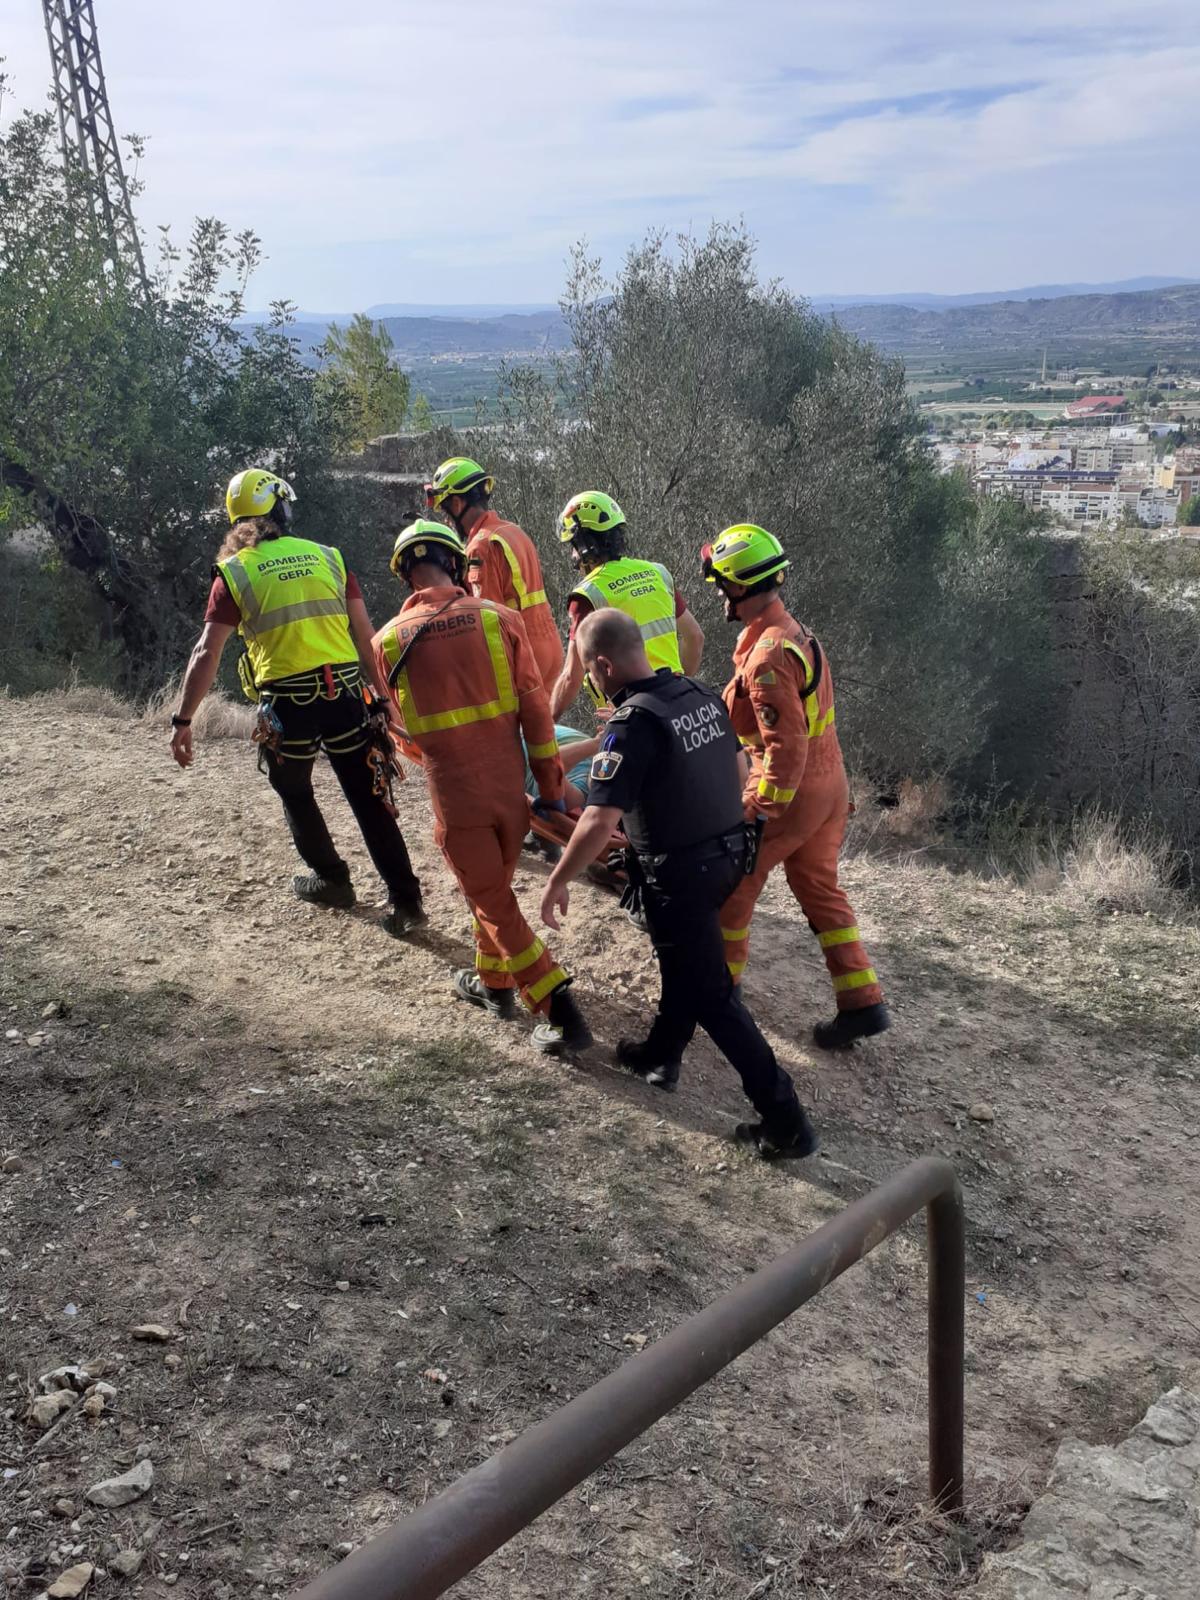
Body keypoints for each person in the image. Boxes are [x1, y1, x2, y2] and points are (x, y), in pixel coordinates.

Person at [540, 608, 818, 1160]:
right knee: (686, 966)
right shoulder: (700, 695)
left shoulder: (631, 725)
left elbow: (596, 821)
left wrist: (557, 879)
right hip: (728, 857)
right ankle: (660, 1054)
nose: (593, 681)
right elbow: (739, 772)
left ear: (601, 664)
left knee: (713, 996)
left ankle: (786, 1120)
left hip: (679, 874)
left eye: (590, 672)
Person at [169, 467, 424, 934]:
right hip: (347, 695)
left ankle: (331, 879)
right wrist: (385, 700)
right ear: (279, 511)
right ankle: (406, 904)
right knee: (369, 799)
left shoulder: (234, 571)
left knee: (294, 789)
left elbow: (207, 651)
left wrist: (183, 719)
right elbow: (366, 637)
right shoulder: (328, 557)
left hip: (288, 708)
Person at [372, 518, 592, 1056]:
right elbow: (537, 717)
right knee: (491, 893)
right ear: (454, 563)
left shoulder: (386, 643)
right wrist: (551, 788)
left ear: (407, 577)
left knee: (493, 904)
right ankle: (494, 986)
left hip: (457, 800)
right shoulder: (501, 620)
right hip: (511, 799)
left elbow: (402, 737)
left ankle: (560, 1008)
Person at [703, 525, 890, 1049]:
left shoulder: (766, 657)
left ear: (739, 586)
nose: (718, 591)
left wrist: (759, 810)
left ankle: (720, 997)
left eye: (722, 581)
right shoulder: (794, 633)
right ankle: (862, 1001)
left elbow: (784, 747)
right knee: (819, 890)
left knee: (734, 889)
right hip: (830, 785)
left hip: (794, 791)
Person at [549, 490, 704, 717]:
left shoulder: (587, 594)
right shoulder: (657, 572)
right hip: (679, 699)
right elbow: (695, 637)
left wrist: (545, 729)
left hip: (635, 713)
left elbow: (571, 677)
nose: (573, 555)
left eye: (573, 545)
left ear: (583, 544)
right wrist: (677, 688)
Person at [425, 456, 565, 690]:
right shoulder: (513, 531)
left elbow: (486, 618)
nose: (447, 519)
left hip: (522, 654)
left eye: (445, 510)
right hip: (549, 647)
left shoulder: (481, 545)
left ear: (457, 504)